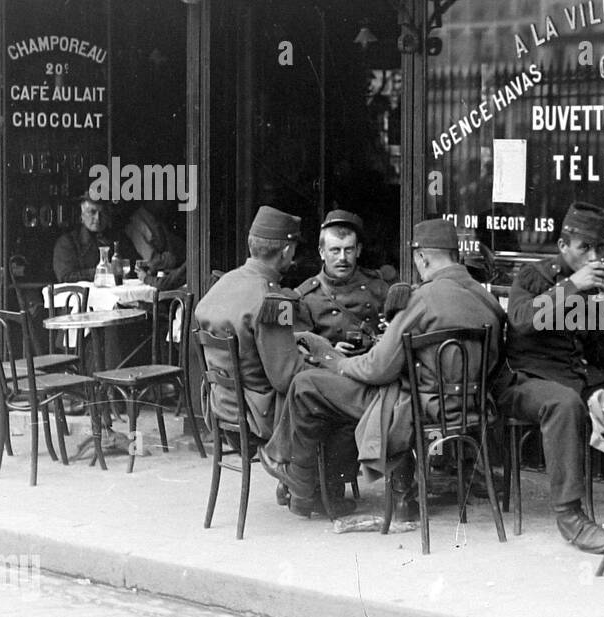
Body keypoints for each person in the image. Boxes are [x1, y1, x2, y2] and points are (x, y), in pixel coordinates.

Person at [259, 218, 505, 520]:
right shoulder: (488, 299)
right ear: (457, 255)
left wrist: (340, 364)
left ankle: (299, 479)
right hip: (471, 407)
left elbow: (378, 368)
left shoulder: (423, 299)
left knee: (307, 385)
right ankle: (374, 494)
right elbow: (496, 362)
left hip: (414, 407)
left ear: (421, 257)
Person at [496, 202, 604, 555]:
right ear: (563, 246)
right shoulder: (532, 277)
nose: (594, 256)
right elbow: (522, 320)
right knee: (564, 404)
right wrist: (573, 286)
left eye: (601, 249)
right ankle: (569, 516)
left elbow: (602, 352)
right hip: (526, 381)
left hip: (574, 378)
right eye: (585, 247)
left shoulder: (597, 285)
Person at [193, 206, 310, 448]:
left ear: (251, 244)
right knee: (332, 402)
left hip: (220, 410)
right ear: (286, 251)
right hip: (260, 419)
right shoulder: (274, 300)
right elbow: (287, 378)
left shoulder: (224, 283)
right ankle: (306, 481)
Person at [294, 210, 389, 354]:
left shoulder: (378, 287)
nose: (343, 258)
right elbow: (300, 347)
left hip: (374, 368)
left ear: (358, 251)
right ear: (322, 252)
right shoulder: (305, 297)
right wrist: (330, 351)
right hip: (332, 371)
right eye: (335, 250)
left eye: (349, 250)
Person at [125, 196, 187, 289]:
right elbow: (152, 261)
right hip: (149, 284)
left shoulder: (157, 220)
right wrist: (172, 258)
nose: (168, 201)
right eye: (163, 196)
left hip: (165, 281)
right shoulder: (135, 224)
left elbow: (182, 249)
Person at [53, 194, 118, 283]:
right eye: (92, 212)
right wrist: (100, 272)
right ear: (82, 216)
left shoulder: (115, 240)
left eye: (102, 213)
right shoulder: (67, 242)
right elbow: (65, 277)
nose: (97, 218)